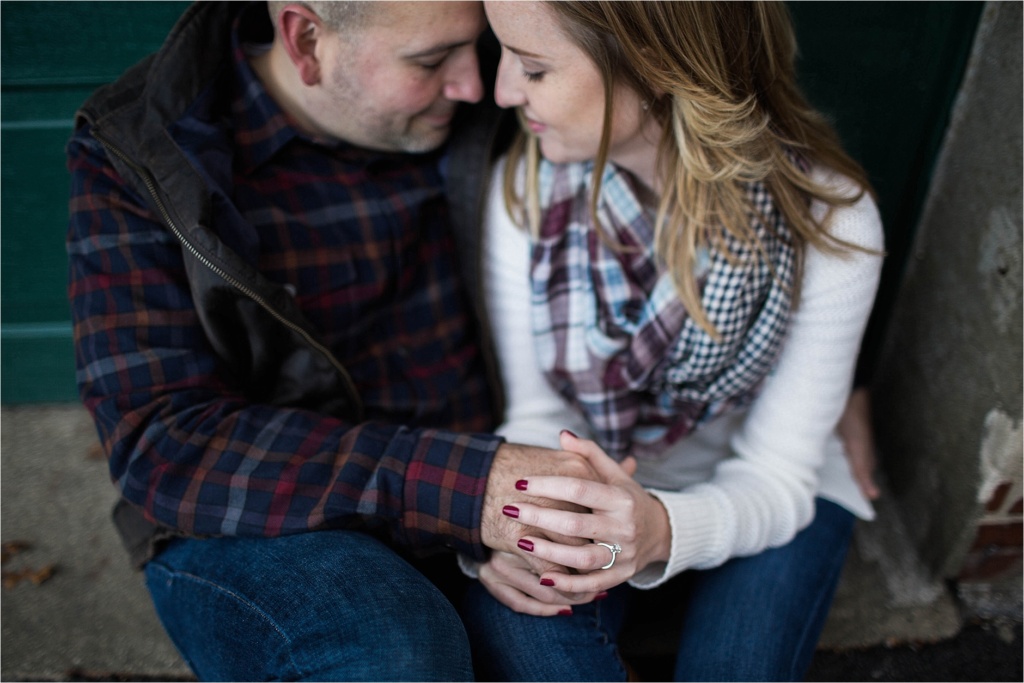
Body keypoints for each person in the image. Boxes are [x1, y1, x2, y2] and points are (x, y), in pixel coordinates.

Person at [65, 2, 611, 680]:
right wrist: (469, 488)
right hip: (267, 518)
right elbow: (162, 439)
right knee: (392, 641)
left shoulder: (499, 99)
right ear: (306, 40)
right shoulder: (145, 151)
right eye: (431, 61)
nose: (479, 86)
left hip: (482, 484)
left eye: (481, 47)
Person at [455, 2, 885, 680]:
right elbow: (539, 417)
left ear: (655, 67)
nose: (503, 90)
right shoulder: (525, 192)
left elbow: (777, 473)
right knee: (525, 635)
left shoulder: (831, 222)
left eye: (534, 68)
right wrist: (524, 525)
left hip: (769, 497)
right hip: (601, 482)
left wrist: (660, 528)